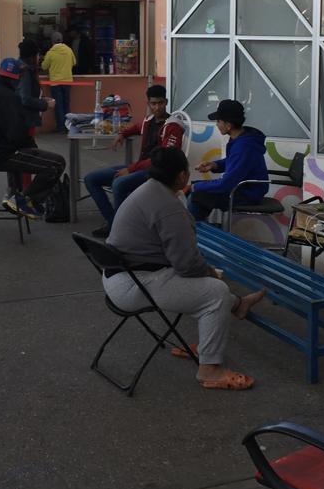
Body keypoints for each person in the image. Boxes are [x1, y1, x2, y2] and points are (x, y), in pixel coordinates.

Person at [106, 147, 266, 390]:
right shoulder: (168, 206)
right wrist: (213, 274)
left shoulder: (147, 190)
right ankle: (209, 369)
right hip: (134, 283)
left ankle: (237, 307)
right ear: (182, 176)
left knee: (209, 285)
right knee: (216, 292)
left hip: (120, 276)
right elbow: (187, 264)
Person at [0, 57, 66, 219]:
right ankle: (25, 200)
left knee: (19, 152)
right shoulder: (6, 97)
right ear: (17, 78)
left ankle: (13, 193)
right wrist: (33, 148)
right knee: (56, 163)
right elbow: (16, 134)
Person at [84, 84, 184, 238]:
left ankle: (121, 230)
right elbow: (137, 127)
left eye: (161, 103)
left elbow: (162, 159)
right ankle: (114, 223)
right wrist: (123, 134)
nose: (157, 107)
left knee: (119, 183)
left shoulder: (173, 126)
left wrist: (130, 169)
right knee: (91, 179)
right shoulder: (148, 120)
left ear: (166, 102)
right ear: (148, 104)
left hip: (158, 173)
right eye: (153, 104)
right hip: (141, 168)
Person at [187, 99, 269, 222]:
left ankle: (195, 233)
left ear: (228, 125)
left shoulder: (243, 146)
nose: (216, 124)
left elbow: (226, 184)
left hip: (247, 193)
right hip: (240, 187)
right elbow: (233, 161)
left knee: (196, 195)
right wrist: (214, 165)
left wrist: (194, 186)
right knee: (198, 192)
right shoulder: (241, 139)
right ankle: (200, 230)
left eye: (218, 121)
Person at [17, 39, 53, 136]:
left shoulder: (22, 69)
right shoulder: (26, 72)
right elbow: (25, 98)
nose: (39, 57)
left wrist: (41, 99)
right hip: (25, 119)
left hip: (22, 118)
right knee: (28, 147)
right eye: (37, 55)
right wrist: (44, 104)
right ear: (32, 56)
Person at [42, 31, 76, 132]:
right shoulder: (69, 50)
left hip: (55, 83)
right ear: (62, 40)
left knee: (58, 105)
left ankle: (60, 127)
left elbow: (44, 66)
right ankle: (68, 126)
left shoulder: (50, 53)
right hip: (68, 81)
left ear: (52, 41)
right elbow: (74, 62)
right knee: (66, 104)